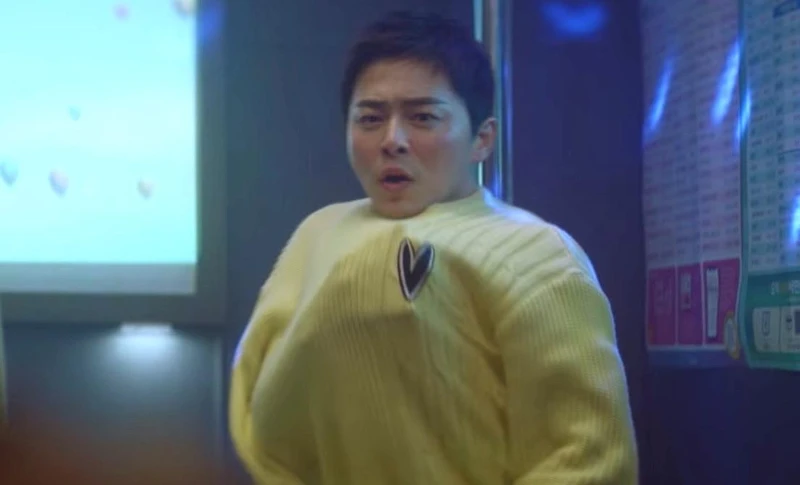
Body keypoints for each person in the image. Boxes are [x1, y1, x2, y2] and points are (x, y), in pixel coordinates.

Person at [230, 10, 638, 485]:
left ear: (482, 138)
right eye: (370, 118)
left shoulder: (537, 255)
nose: (392, 141)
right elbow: (260, 410)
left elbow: (589, 456)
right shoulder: (317, 234)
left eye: (423, 117)